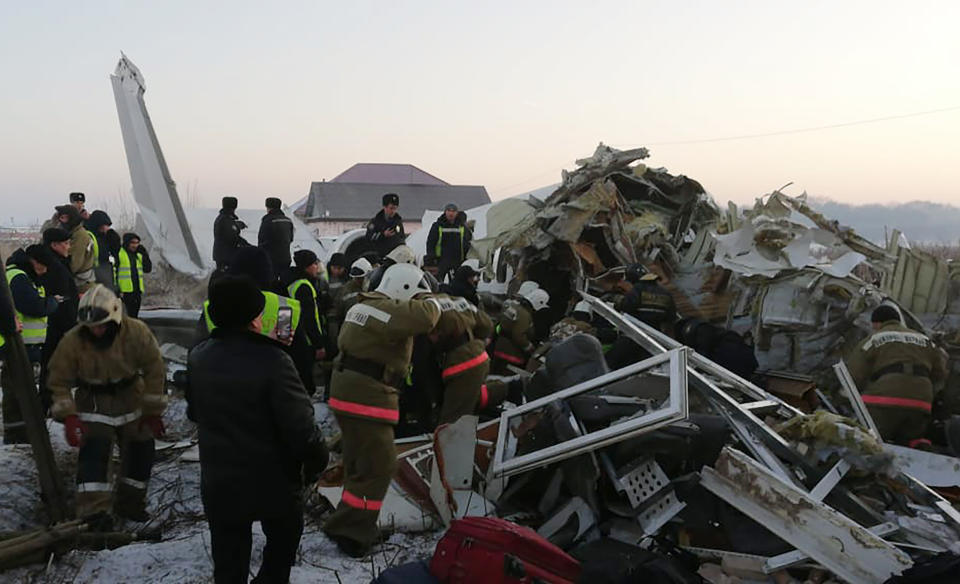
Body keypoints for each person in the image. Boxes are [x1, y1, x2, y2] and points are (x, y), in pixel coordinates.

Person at [187, 276, 329, 583]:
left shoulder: (199, 357)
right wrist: (317, 459)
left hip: (220, 480)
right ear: (255, 315)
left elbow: (195, 412)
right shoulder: (274, 360)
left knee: (228, 561)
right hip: (273, 481)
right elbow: (301, 428)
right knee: (282, 548)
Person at [323, 264, 441, 557]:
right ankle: (353, 533)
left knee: (358, 463)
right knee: (380, 465)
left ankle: (346, 522)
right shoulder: (385, 310)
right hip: (365, 395)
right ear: (404, 289)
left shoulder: (365, 306)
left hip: (348, 391)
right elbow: (427, 317)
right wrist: (432, 298)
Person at [47, 285, 166, 523]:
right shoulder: (72, 341)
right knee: (94, 459)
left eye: (101, 326)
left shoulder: (137, 333)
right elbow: (58, 380)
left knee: (141, 454)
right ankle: (93, 514)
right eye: (91, 327)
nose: (96, 331)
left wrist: (152, 411)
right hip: (93, 406)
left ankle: (130, 504)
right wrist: (69, 416)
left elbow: (155, 369)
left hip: (131, 400)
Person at [846, 306, 948, 447]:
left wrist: (845, 399)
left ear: (876, 323)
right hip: (921, 402)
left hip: (883, 401)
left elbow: (854, 374)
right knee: (909, 446)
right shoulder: (925, 340)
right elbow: (940, 373)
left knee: (869, 444)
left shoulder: (874, 339)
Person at [2, 246, 60, 443]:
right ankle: (16, 435)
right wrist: (52, 303)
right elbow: (34, 306)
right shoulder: (18, 278)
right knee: (16, 392)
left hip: (26, 345)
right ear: (34, 262)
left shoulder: (26, 277)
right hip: (17, 345)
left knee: (22, 392)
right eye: (43, 267)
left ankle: (22, 432)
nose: (44, 272)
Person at [431, 293, 495, 424]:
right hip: (478, 356)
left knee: (452, 420)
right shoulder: (457, 300)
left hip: (458, 364)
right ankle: (507, 389)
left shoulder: (422, 309)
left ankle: (506, 389)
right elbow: (487, 325)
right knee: (468, 398)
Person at [39, 229, 79, 411]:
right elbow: (61, 300)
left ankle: (49, 403)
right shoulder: (54, 266)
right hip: (58, 324)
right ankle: (49, 404)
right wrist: (71, 327)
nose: (69, 247)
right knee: (53, 366)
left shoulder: (57, 262)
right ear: (54, 245)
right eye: (66, 243)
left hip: (58, 323)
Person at [285, 250, 327, 395]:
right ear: (307, 266)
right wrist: (318, 343)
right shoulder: (304, 286)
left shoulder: (293, 281)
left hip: (295, 338)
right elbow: (310, 317)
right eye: (314, 263)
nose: (317, 266)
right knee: (307, 382)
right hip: (306, 341)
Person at [490, 287, 550, 375]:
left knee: (494, 374)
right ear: (538, 303)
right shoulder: (525, 315)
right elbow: (518, 335)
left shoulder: (512, 307)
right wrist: (529, 347)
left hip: (499, 347)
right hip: (512, 354)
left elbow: (498, 325)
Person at [618, 264, 676, 333]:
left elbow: (627, 306)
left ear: (632, 279)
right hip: (657, 333)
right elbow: (671, 317)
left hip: (638, 330)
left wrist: (618, 300)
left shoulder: (637, 289)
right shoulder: (665, 292)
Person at [425, 203, 472, 282]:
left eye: (453, 211)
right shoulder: (438, 226)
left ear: (457, 213)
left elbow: (468, 242)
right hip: (441, 260)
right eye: (449, 211)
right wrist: (432, 258)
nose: (451, 213)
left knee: (458, 283)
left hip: (458, 261)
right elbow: (431, 243)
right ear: (445, 212)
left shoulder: (462, 227)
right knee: (438, 283)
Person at [56, 204, 97, 293]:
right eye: (60, 218)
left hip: (82, 286)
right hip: (78, 284)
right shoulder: (71, 233)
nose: (61, 221)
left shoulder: (79, 235)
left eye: (64, 218)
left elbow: (74, 263)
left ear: (72, 218)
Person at [116, 233, 152, 318]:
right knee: (125, 317)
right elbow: (114, 271)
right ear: (127, 243)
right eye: (132, 242)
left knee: (134, 316)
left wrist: (145, 254)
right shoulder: (119, 253)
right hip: (124, 292)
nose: (135, 245)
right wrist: (116, 288)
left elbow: (147, 269)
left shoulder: (138, 254)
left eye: (137, 243)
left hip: (136, 291)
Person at [258, 197, 294, 279]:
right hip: (286, 258)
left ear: (268, 207)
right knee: (283, 282)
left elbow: (261, 240)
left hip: (271, 259)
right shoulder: (288, 221)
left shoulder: (267, 220)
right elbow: (291, 239)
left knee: (271, 282)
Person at [212, 196, 248, 271]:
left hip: (223, 255)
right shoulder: (225, 219)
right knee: (225, 279)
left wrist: (238, 225)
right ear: (234, 207)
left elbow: (230, 228)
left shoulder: (224, 218)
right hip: (225, 257)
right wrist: (247, 246)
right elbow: (232, 237)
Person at [365, 193, 405, 260]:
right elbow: (368, 237)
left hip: (394, 258)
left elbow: (402, 238)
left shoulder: (398, 222)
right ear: (385, 207)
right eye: (391, 208)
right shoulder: (375, 222)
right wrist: (383, 235)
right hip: (378, 257)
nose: (393, 211)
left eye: (395, 208)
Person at [85, 210, 116, 289]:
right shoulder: (89, 235)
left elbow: (116, 251)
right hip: (92, 271)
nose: (106, 228)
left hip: (104, 270)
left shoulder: (106, 237)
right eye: (104, 225)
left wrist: (112, 236)